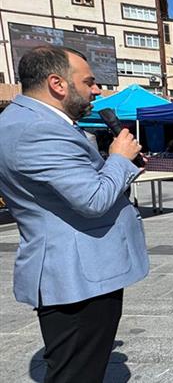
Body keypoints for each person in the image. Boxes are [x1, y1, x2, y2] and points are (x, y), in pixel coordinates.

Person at [0, 46, 149, 382]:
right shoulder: (38, 129)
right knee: (77, 373)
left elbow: (75, 186)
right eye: (89, 82)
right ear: (57, 84)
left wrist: (122, 167)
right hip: (77, 277)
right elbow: (93, 199)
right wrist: (119, 158)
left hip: (81, 272)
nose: (96, 90)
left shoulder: (29, 121)